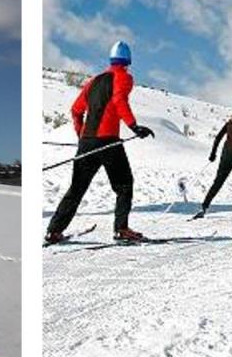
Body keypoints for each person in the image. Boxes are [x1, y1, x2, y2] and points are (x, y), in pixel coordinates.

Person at [45, 41, 155, 244]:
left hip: (87, 143)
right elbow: (119, 101)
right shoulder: (123, 77)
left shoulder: (93, 81)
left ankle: (54, 231)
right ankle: (121, 229)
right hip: (108, 142)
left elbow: (76, 110)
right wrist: (134, 126)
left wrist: (82, 137)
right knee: (124, 185)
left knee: (76, 189)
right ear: (128, 60)